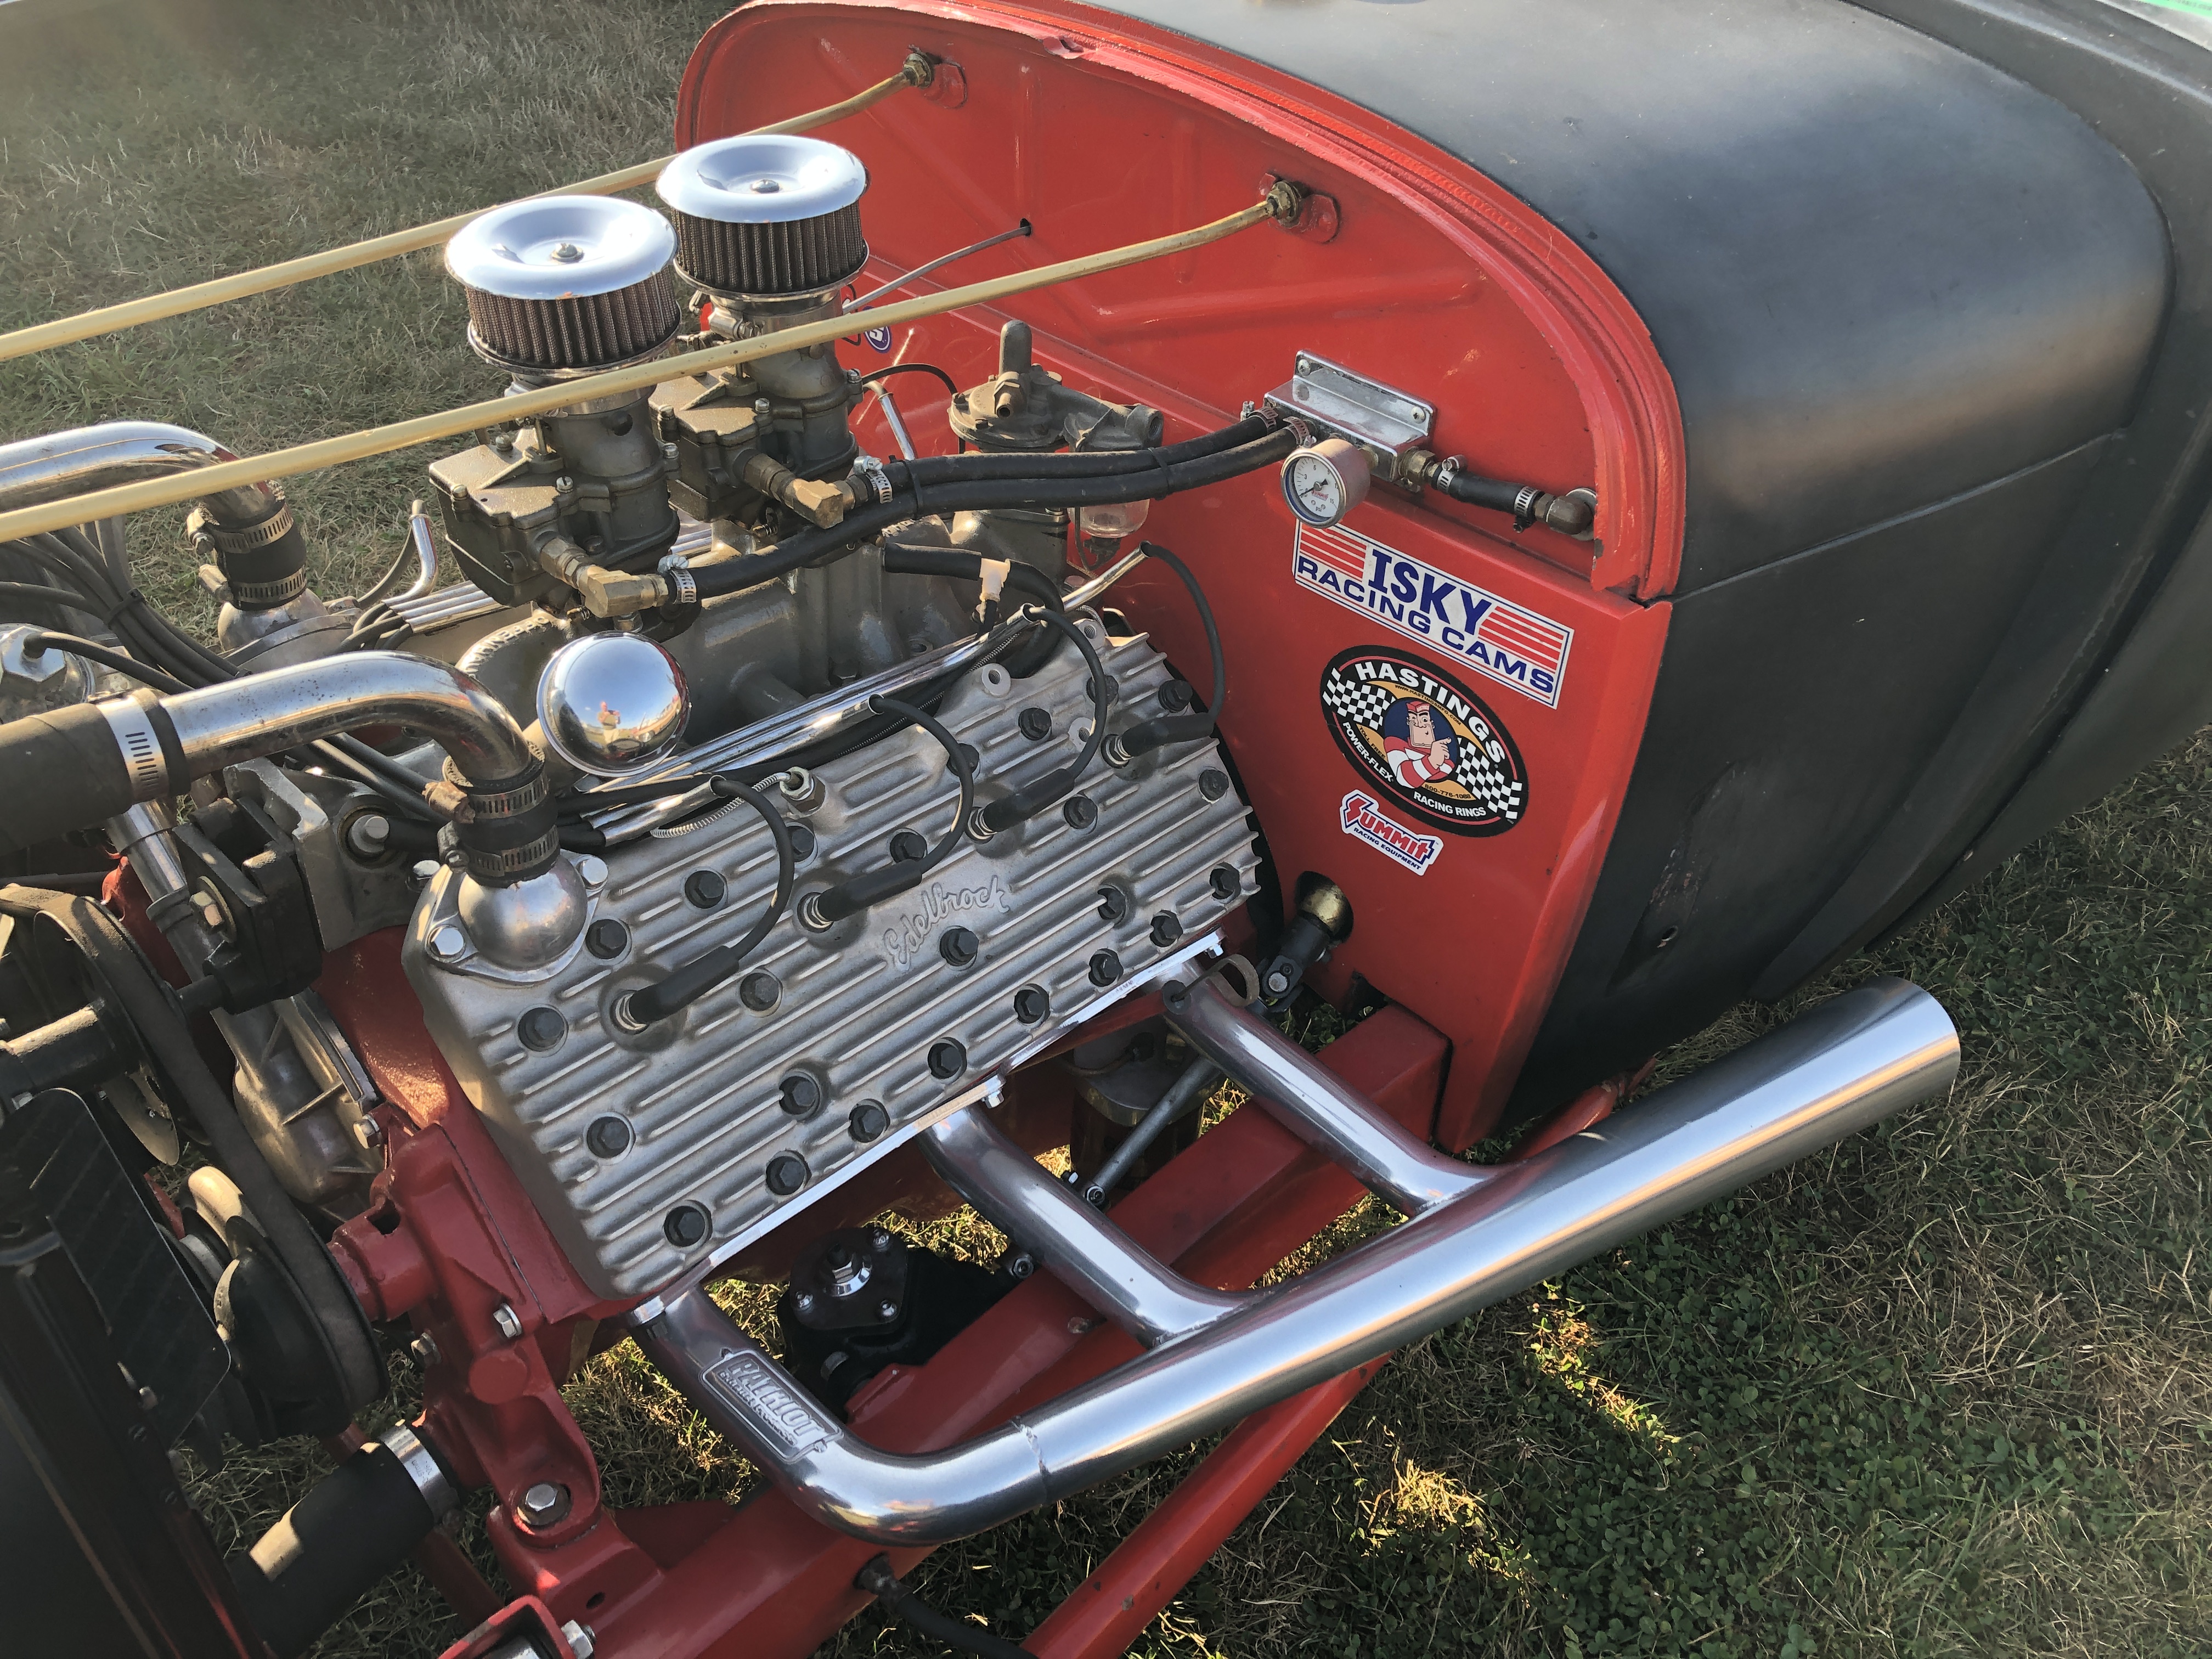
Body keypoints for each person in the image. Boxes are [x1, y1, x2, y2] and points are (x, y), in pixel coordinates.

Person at [1381, 697, 1456, 787]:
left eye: (1424, 720)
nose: (1419, 724)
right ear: (1408, 722)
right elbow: (1404, 779)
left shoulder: (1448, 763)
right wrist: (1432, 761)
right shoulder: (1395, 744)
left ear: (1432, 724)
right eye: (1413, 719)